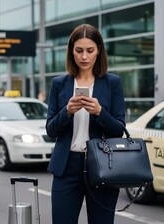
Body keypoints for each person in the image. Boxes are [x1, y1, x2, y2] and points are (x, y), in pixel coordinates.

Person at [46, 24, 125, 224]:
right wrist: (67, 112)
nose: (84, 56)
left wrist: (100, 112)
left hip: (101, 166)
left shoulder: (112, 83)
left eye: (90, 50)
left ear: (98, 50)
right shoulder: (59, 83)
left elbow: (119, 129)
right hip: (66, 166)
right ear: (71, 51)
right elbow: (51, 130)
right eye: (79, 50)